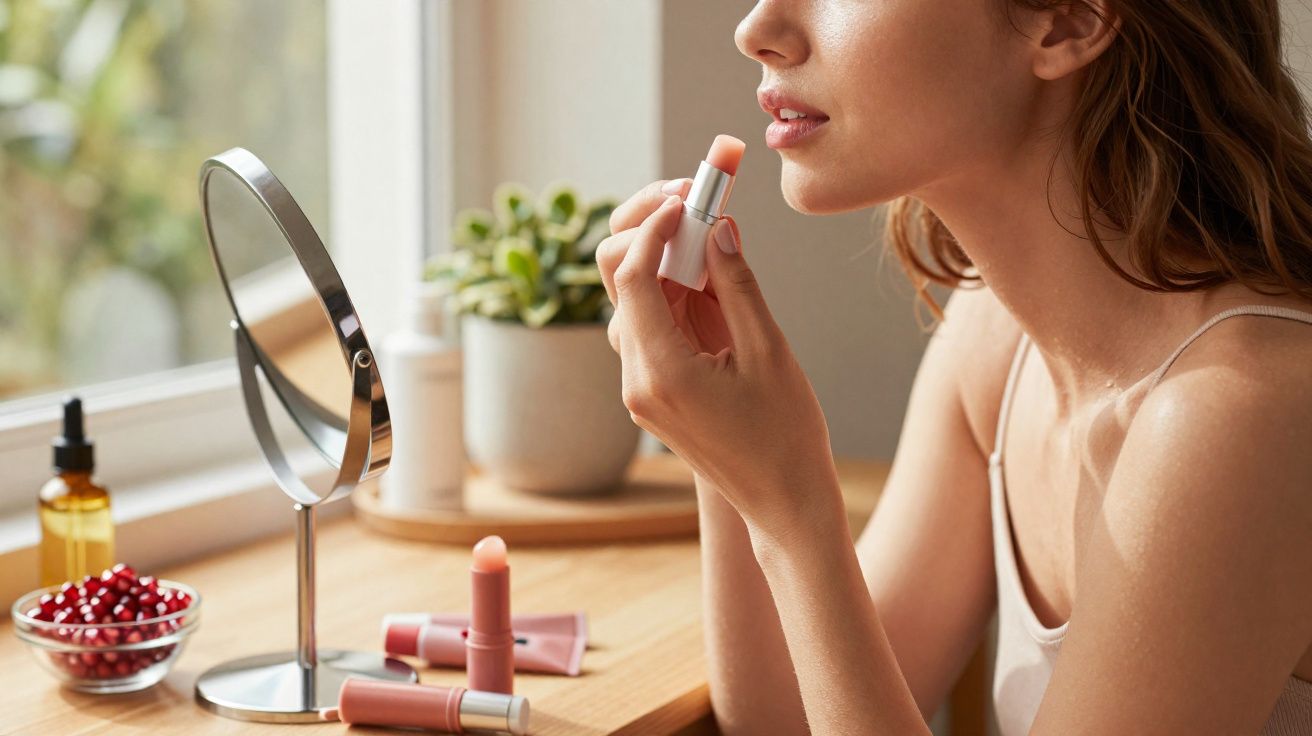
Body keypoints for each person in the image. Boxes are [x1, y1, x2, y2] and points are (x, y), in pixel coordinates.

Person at [596, 0, 1312, 734]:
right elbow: (786, 719)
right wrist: (727, 448)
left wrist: (792, 508)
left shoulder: (1243, 411)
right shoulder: (999, 343)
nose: (757, 29)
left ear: (1068, 20)